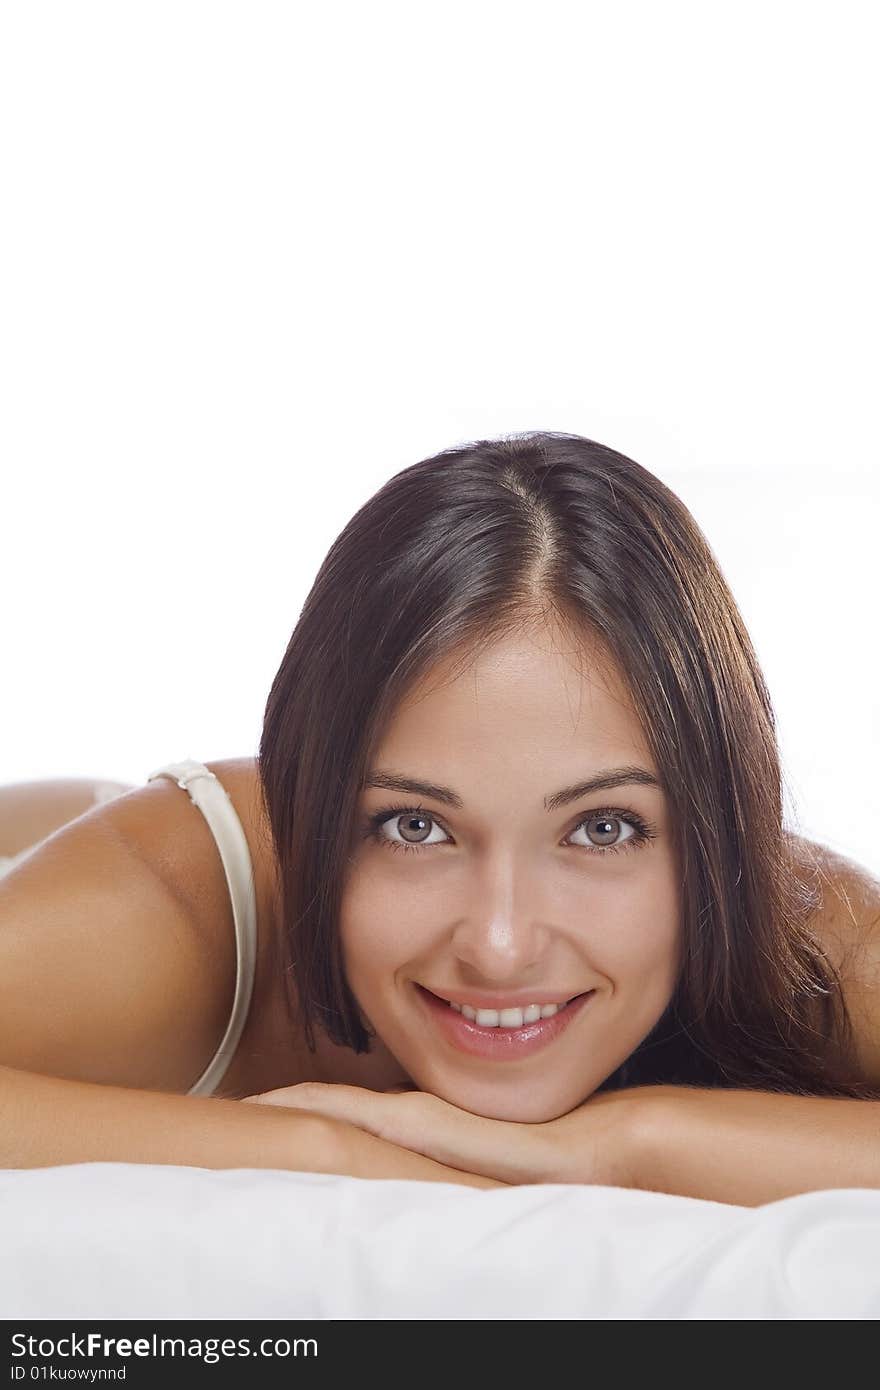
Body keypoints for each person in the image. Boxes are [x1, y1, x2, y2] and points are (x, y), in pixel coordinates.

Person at [2, 431, 879, 1203]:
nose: (499, 946)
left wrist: (624, 1145)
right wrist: (322, 1153)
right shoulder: (172, 911)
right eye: (414, 827)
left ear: (718, 826)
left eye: (601, 828)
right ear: (310, 804)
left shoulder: (799, 934)